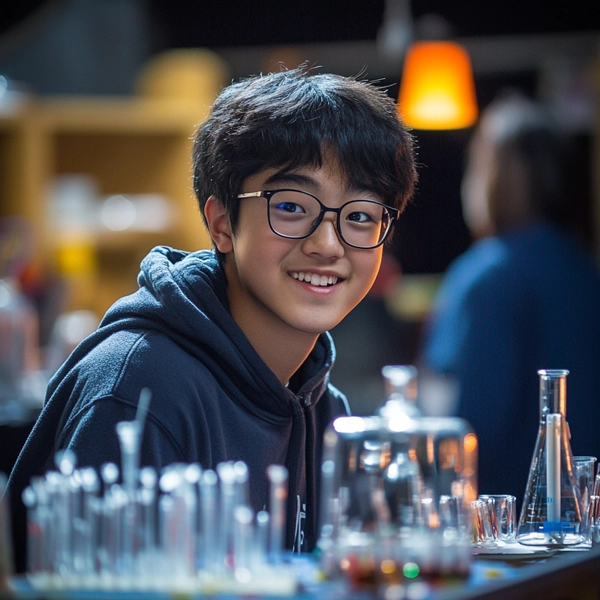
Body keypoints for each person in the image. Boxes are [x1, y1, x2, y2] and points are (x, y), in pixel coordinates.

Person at [6, 66, 417, 572]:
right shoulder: (137, 391)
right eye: (290, 206)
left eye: (359, 215)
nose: (327, 244)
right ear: (222, 223)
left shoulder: (323, 406)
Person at [418, 92, 600, 505]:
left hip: (510, 537)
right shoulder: (588, 272)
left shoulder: (488, 274)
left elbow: (466, 424)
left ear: (492, 175)